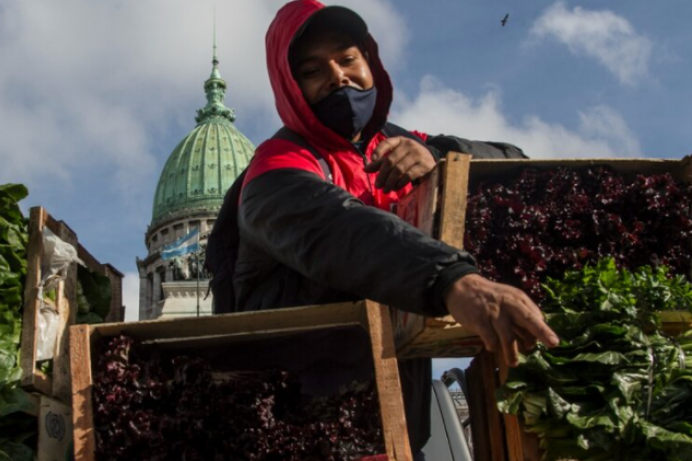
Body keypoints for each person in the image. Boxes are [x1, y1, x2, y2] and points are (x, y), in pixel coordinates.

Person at [212, 1, 559, 458]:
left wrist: (442, 155)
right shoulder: (275, 166)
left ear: (370, 62)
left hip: (395, 423)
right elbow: (340, 231)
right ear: (289, 88)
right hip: (295, 427)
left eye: (348, 58)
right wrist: (451, 278)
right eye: (313, 70)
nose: (338, 77)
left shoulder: (399, 143)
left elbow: (518, 165)